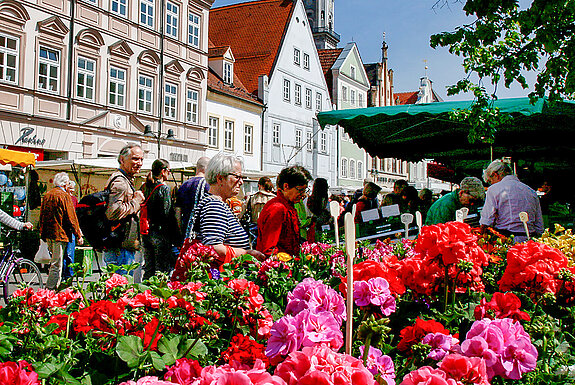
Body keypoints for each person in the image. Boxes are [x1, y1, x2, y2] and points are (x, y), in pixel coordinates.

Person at [188, 153, 265, 266]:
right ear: (220, 179)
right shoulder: (214, 206)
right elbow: (213, 248)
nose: (241, 182)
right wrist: (246, 254)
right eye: (237, 177)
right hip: (221, 279)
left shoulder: (217, 203)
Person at [104, 144, 146, 274]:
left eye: (141, 159)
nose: (139, 163)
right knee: (121, 287)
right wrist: (136, 202)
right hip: (120, 246)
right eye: (135, 159)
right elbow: (113, 212)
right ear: (122, 160)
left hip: (121, 245)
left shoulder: (125, 180)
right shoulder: (120, 182)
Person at [38, 172, 84, 290]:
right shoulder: (64, 196)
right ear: (65, 184)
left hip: (49, 234)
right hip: (60, 234)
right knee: (56, 265)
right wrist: (78, 234)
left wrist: (42, 233)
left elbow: (42, 215)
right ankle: (51, 289)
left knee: (54, 262)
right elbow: (71, 217)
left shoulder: (48, 195)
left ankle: (53, 288)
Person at [480, 160, 543, 243]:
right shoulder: (531, 191)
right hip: (529, 241)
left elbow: (486, 221)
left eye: (490, 181)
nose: (491, 184)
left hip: (506, 241)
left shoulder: (494, 189)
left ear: (496, 175)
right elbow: (539, 227)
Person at [257, 165, 313, 256]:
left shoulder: (288, 205)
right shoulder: (277, 208)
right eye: (300, 190)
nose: (303, 195)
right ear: (286, 186)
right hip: (280, 266)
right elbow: (269, 250)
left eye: (304, 190)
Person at [141, 159, 179, 279]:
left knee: (149, 269)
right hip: (161, 234)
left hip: (147, 233)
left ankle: (145, 294)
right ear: (163, 171)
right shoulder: (164, 188)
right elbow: (166, 213)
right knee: (161, 271)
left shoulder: (146, 187)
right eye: (168, 171)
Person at [175, 156, 210, 236]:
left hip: (187, 231)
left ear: (197, 168)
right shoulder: (208, 185)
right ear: (208, 168)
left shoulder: (184, 185)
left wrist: (181, 230)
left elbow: (178, 212)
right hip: (203, 233)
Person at [241, 176, 275, 245]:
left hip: (255, 227)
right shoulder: (274, 198)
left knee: (255, 249)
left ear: (259, 185)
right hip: (270, 228)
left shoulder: (252, 197)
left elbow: (242, 212)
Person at [63, 180, 79, 279]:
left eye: (73, 189)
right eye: (70, 188)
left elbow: (76, 216)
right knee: (63, 255)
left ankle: (69, 275)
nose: (72, 191)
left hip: (71, 230)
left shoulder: (74, 200)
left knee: (69, 254)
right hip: (63, 230)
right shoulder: (63, 198)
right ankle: (63, 274)